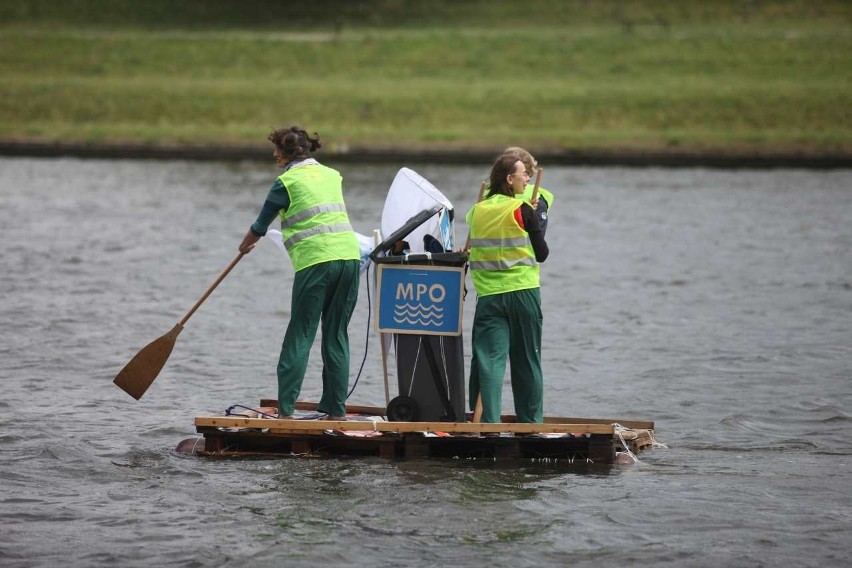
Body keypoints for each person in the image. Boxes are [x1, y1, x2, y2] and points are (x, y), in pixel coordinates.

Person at [238, 126, 361, 420]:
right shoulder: (333, 175)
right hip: (350, 258)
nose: (273, 154)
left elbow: (260, 226)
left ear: (286, 153)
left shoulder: (286, 183)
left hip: (316, 263)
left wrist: (243, 247)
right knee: (336, 336)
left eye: (276, 149)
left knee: (300, 336)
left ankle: (286, 412)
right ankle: (336, 411)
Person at [466, 155, 549, 424]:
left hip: (490, 297)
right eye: (524, 174)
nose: (528, 178)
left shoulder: (477, 210)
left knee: (490, 362)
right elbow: (542, 254)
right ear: (510, 179)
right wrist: (533, 218)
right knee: (527, 361)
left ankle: (490, 424)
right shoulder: (523, 208)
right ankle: (531, 424)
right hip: (523, 292)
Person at [502, 146, 555, 235]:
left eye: (526, 174)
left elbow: (537, 240)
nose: (528, 178)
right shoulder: (490, 197)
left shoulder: (537, 201)